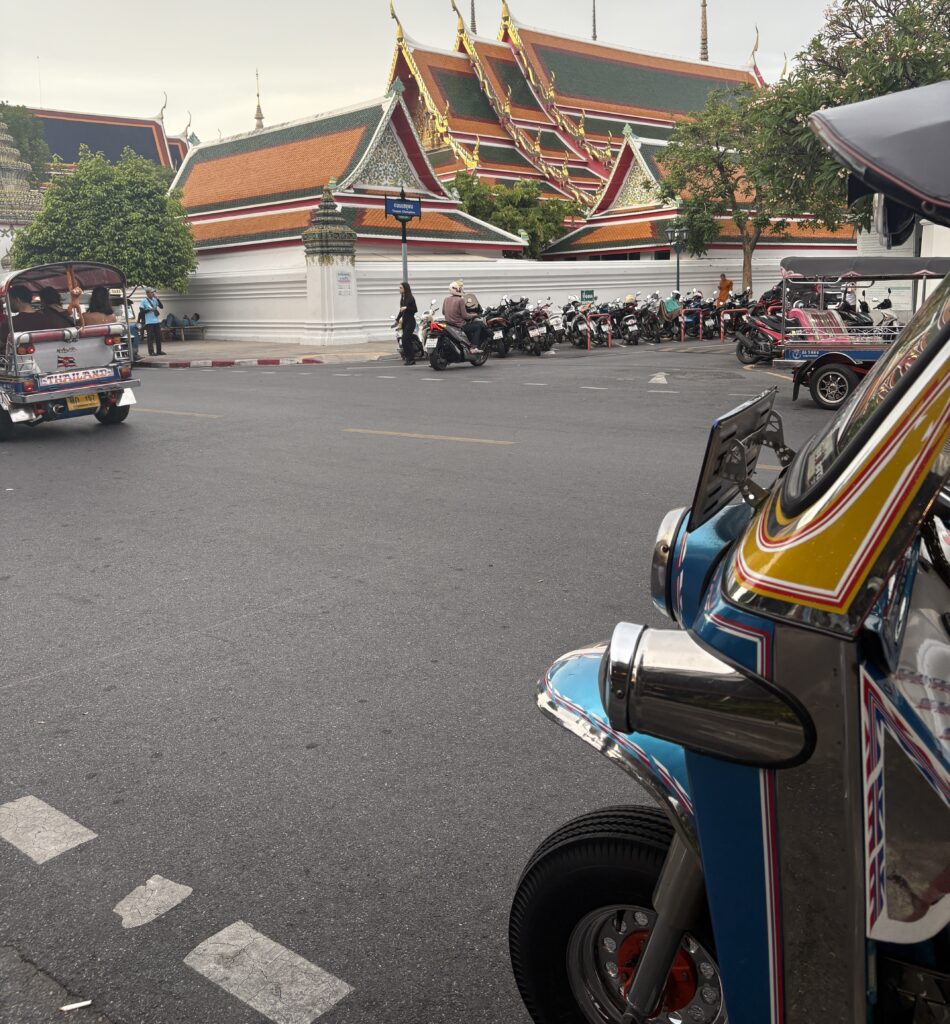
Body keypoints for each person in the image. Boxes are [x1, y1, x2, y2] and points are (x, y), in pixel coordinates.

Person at [441, 280, 482, 353]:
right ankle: (473, 347)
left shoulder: (446, 299)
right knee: (478, 326)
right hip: (459, 325)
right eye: (460, 288)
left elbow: (443, 312)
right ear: (457, 289)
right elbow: (465, 315)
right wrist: (474, 315)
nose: (461, 290)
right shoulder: (460, 300)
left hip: (449, 325)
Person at [139, 287, 165, 356]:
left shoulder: (155, 300)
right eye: (152, 292)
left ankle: (159, 351)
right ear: (147, 293)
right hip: (149, 322)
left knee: (158, 336)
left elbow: (161, 307)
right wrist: (149, 310)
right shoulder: (143, 301)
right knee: (150, 337)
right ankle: (151, 352)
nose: (153, 293)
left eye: (154, 292)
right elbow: (141, 312)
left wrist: (158, 299)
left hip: (156, 321)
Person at [397, 282, 418, 365]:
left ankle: (411, 359)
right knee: (405, 340)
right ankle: (408, 358)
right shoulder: (402, 298)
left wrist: (406, 308)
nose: (399, 289)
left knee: (405, 339)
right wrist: (397, 319)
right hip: (405, 322)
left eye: (401, 288)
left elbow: (415, 309)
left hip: (411, 321)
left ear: (405, 288)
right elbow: (401, 311)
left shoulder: (411, 298)